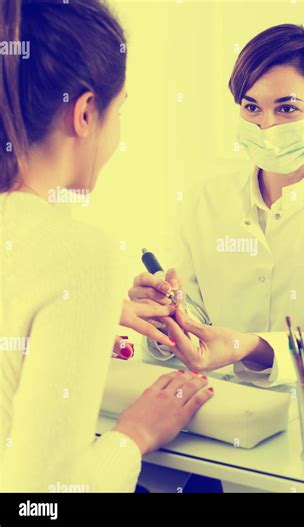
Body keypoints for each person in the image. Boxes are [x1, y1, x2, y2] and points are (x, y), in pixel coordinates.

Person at [0, 0, 213, 493]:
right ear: (86, 112)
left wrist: (101, 309)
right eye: (120, 112)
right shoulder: (77, 252)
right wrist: (134, 435)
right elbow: (40, 501)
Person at [129, 24, 304, 387]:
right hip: (214, 405)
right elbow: (188, 324)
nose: (266, 125)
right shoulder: (202, 201)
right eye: (252, 107)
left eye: (287, 108)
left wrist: (249, 347)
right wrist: (162, 318)